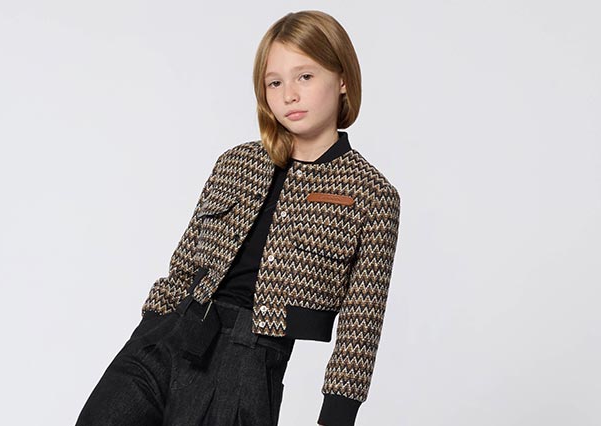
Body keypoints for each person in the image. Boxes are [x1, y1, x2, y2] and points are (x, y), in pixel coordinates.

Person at [75, 10, 401, 426]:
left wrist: (337, 415)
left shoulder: (371, 194)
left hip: (249, 357)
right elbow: (184, 264)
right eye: (274, 82)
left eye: (305, 76)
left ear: (341, 79)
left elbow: (362, 320)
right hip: (167, 336)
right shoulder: (235, 162)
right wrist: (152, 325)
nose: (289, 95)